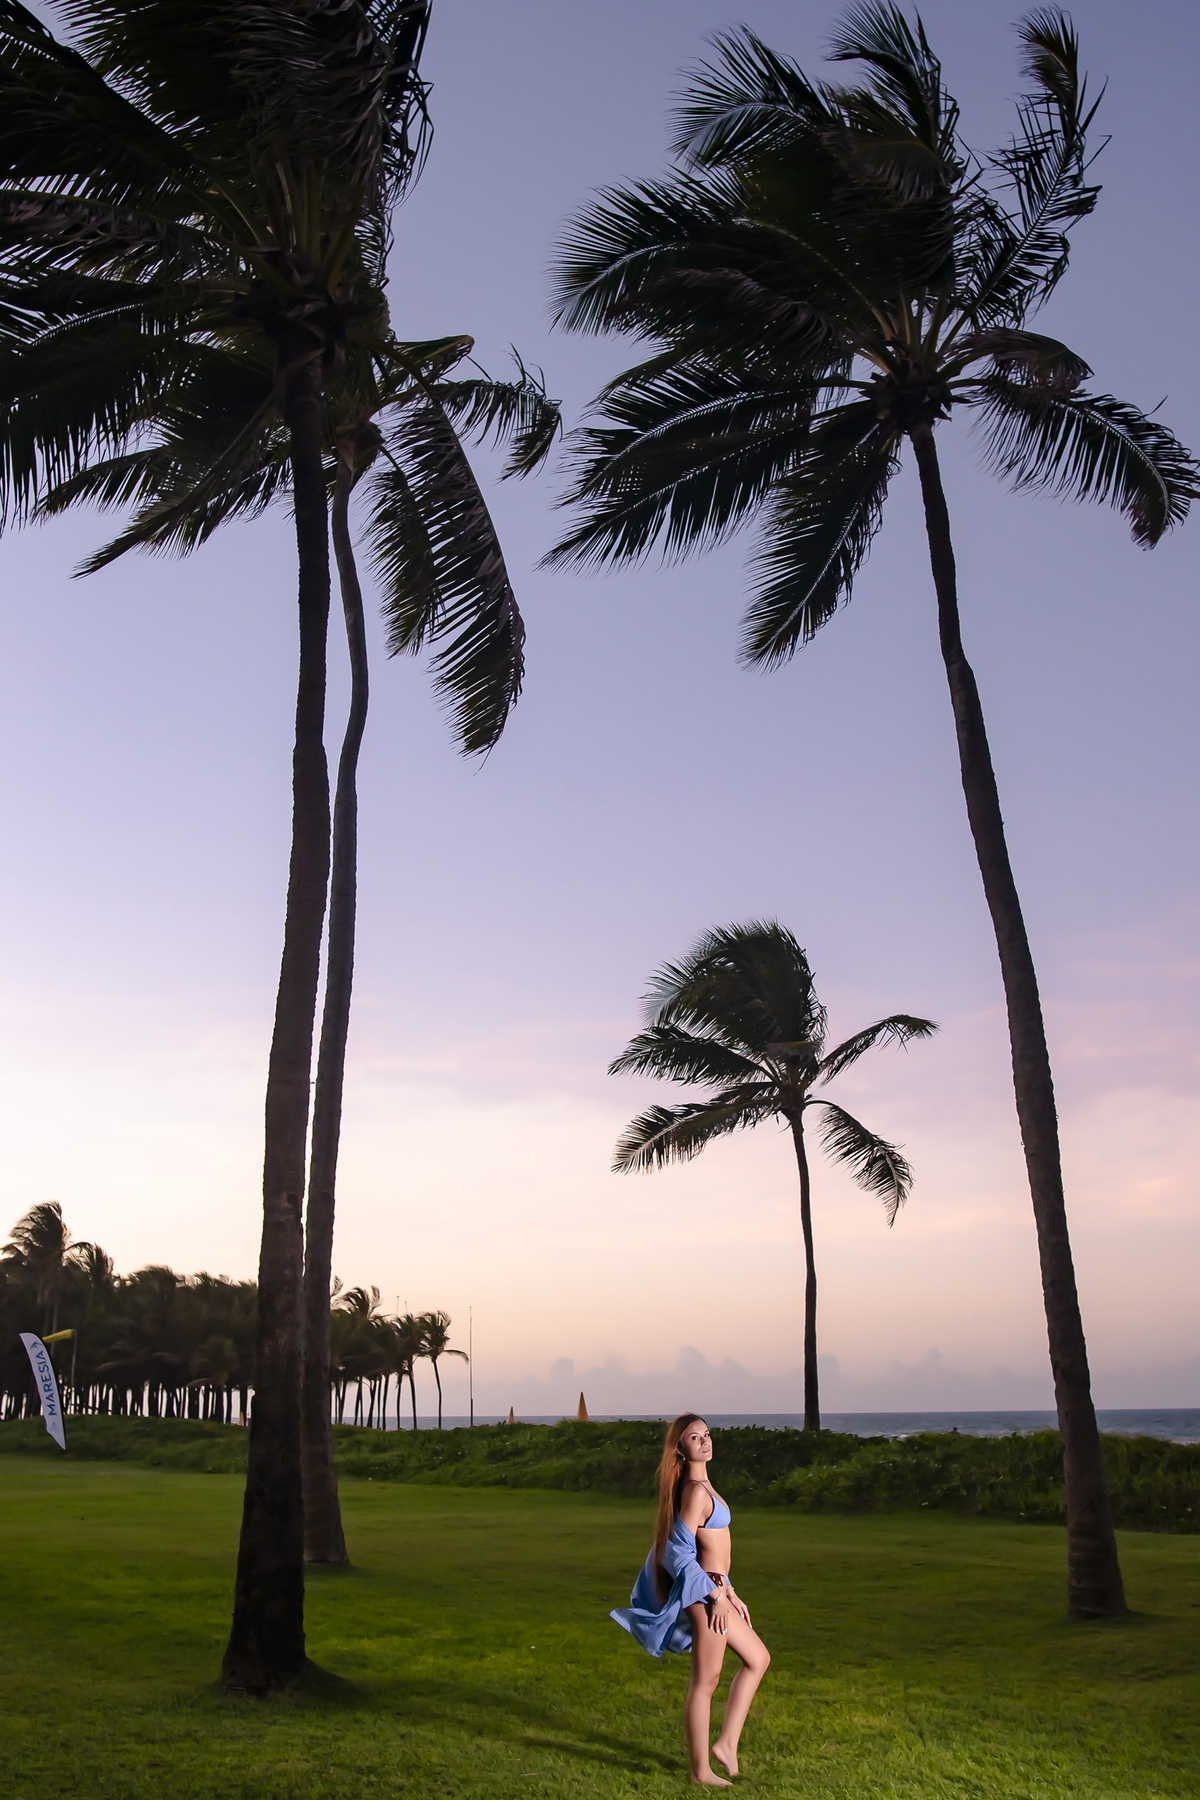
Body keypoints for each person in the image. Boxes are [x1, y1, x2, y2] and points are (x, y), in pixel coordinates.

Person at [611, 1412, 771, 1785]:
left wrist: (731, 1591)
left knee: (758, 1658)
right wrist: (716, 1595)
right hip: (705, 1595)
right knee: (706, 1681)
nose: (705, 1441)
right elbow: (675, 1553)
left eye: (707, 1434)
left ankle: (726, 1745)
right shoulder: (695, 1492)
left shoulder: (704, 1485)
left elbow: (710, 1552)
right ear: (680, 1448)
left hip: (718, 1590)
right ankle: (701, 1772)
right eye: (694, 1437)